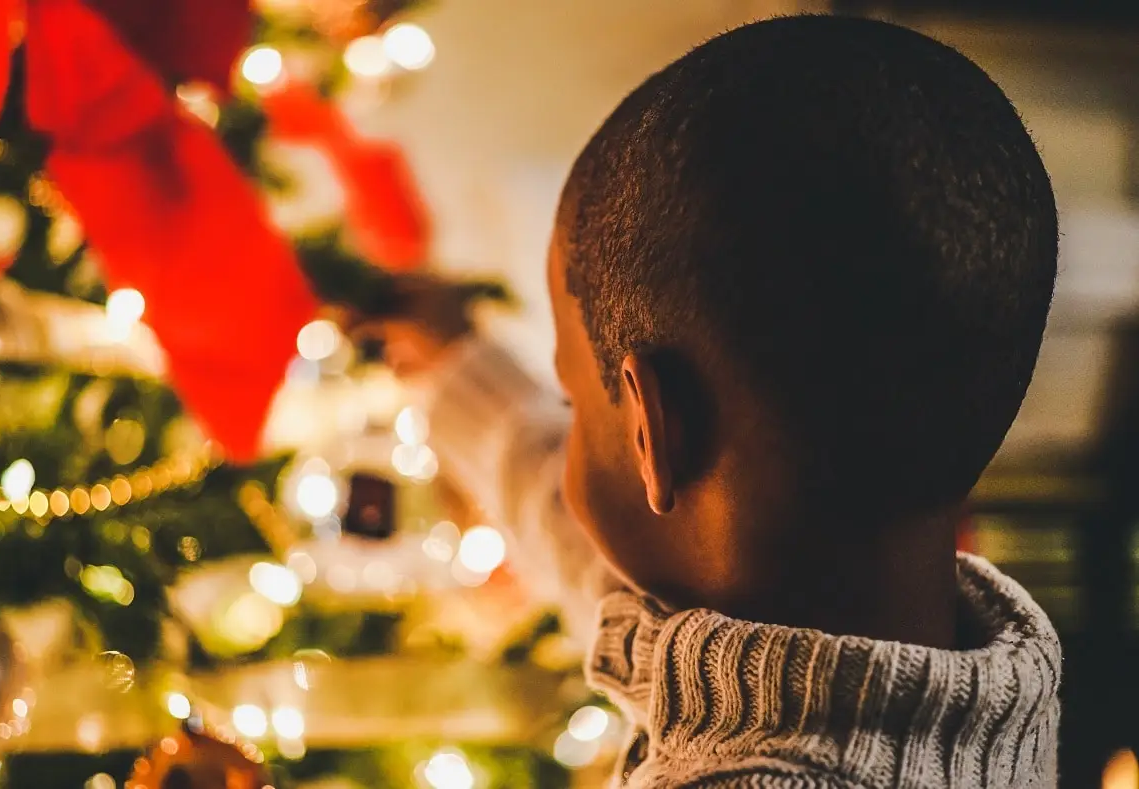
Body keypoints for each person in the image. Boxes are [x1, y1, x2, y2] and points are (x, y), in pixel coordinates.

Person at [351, 14, 1061, 788]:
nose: (568, 435)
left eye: (574, 400)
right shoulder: (955, 678)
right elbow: (600, 558)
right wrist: (457, 364)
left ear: (655, 430)